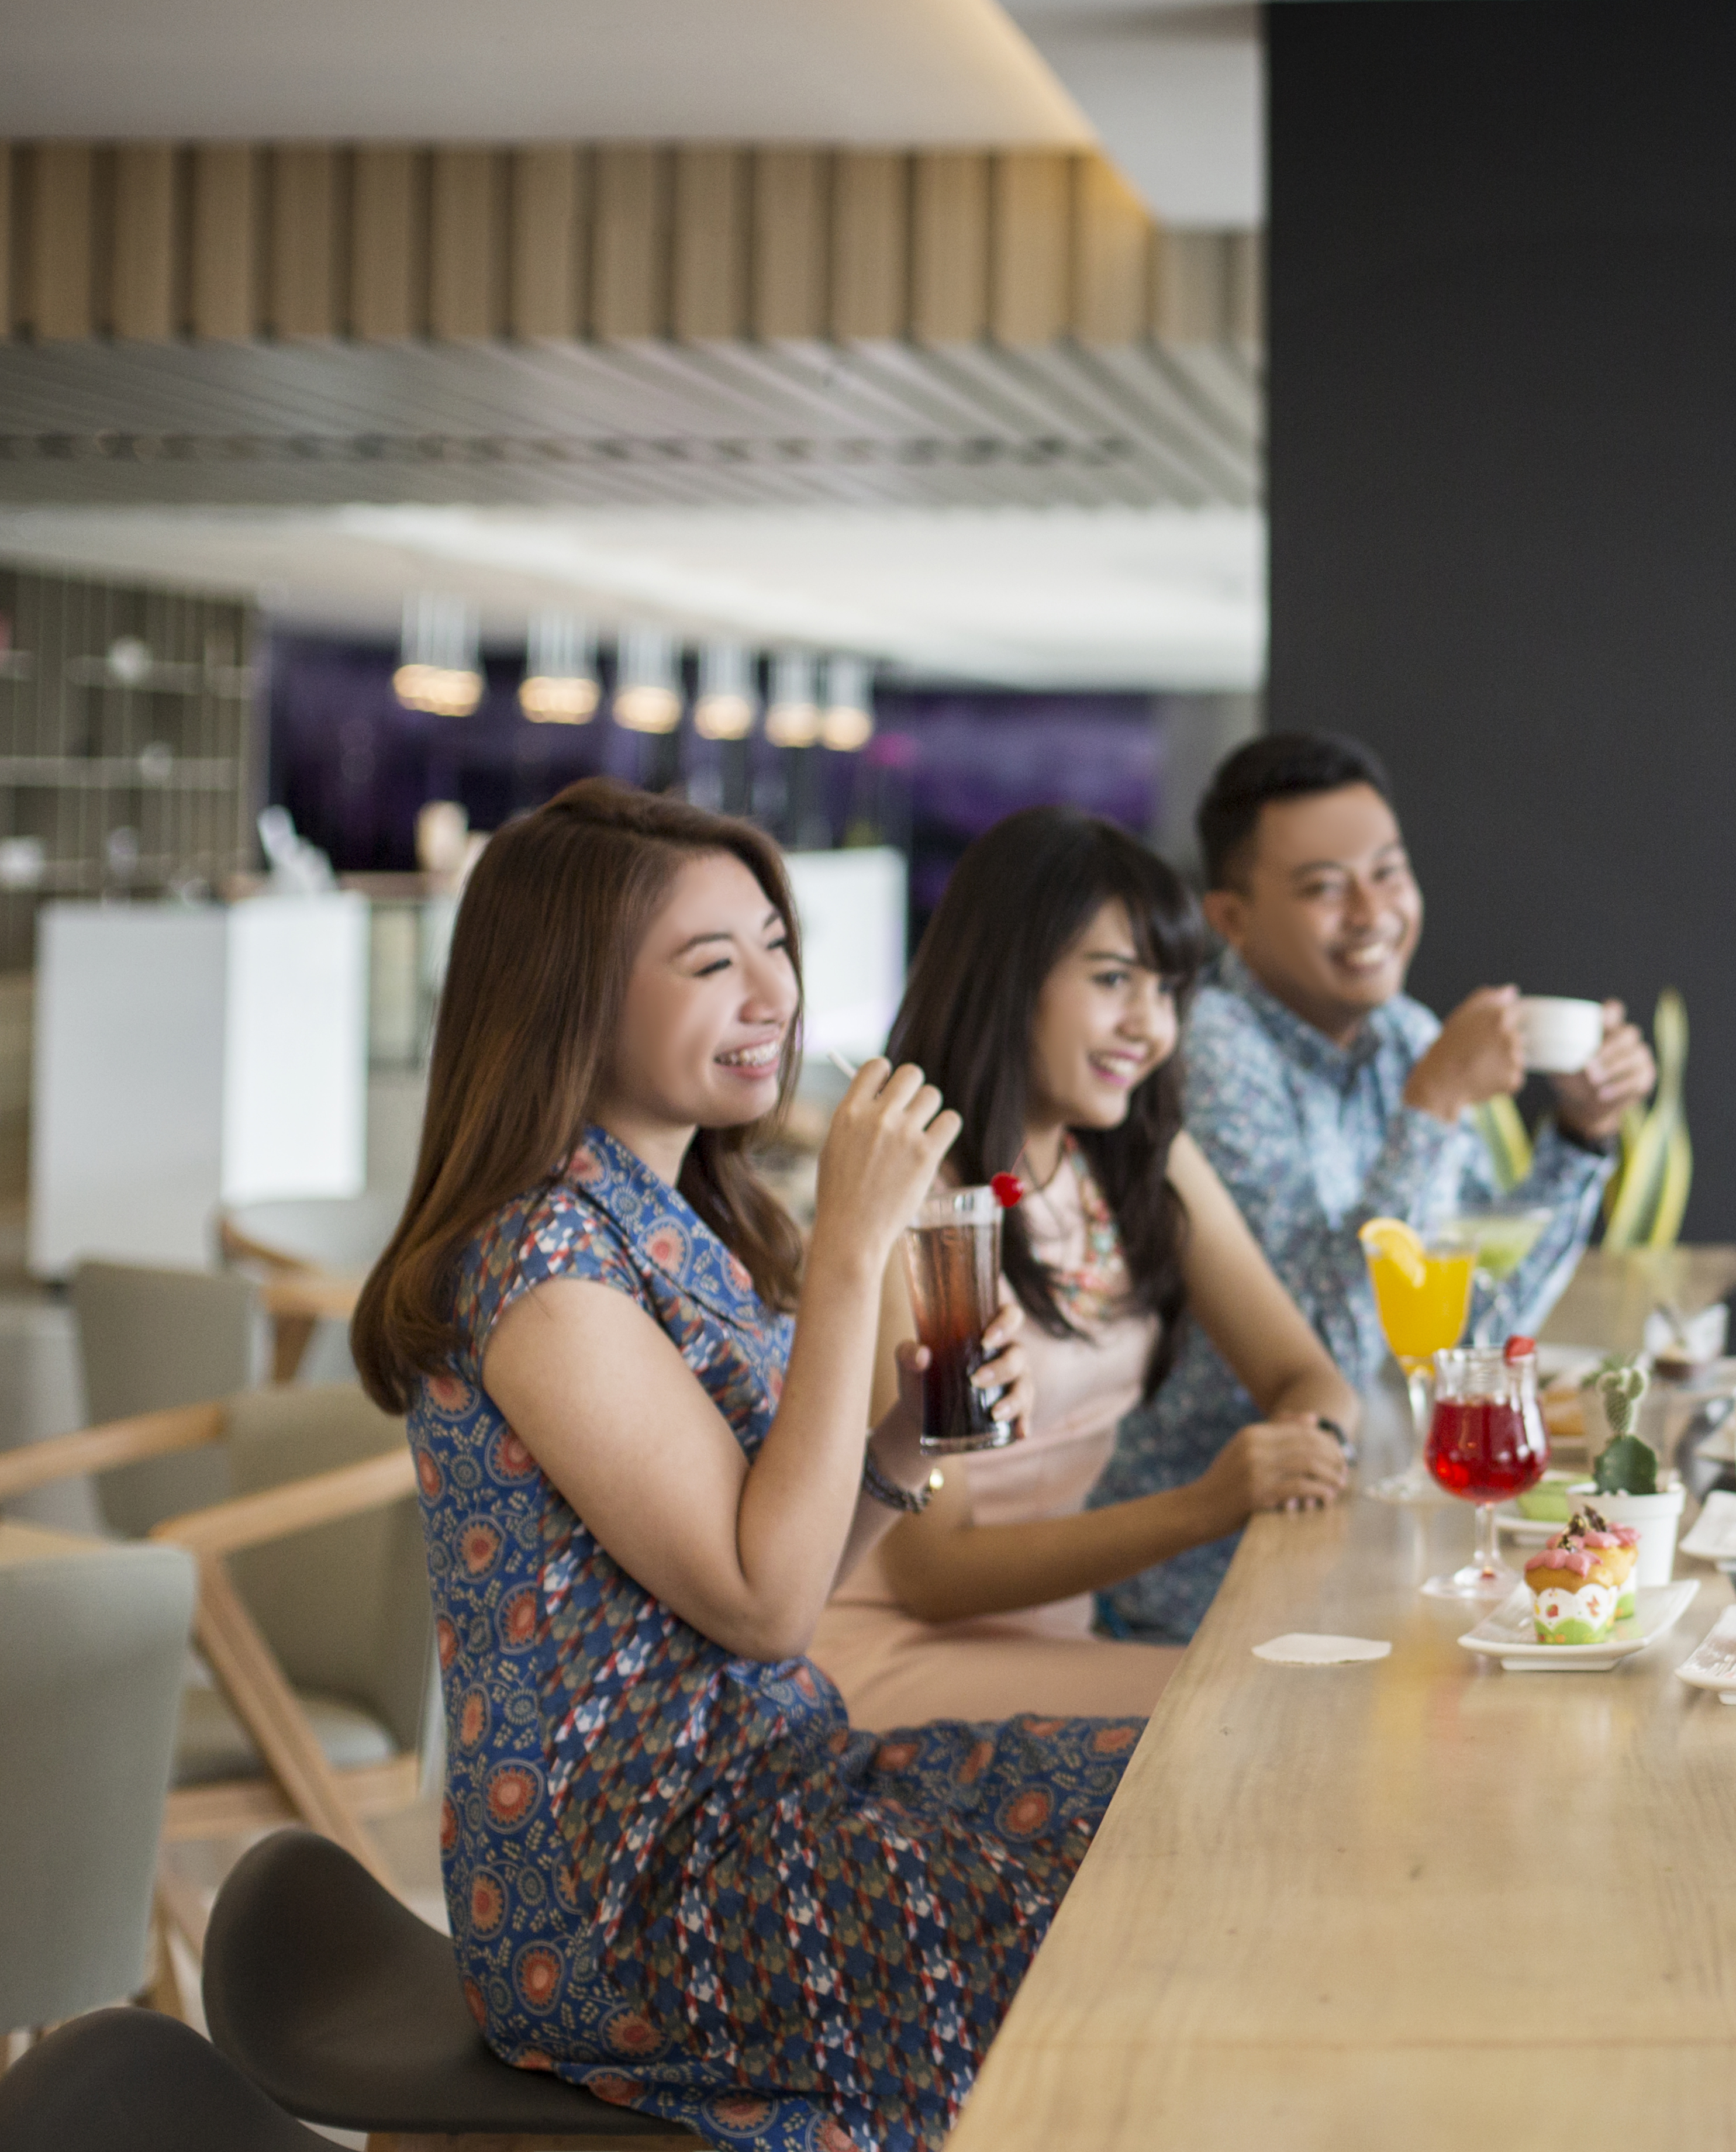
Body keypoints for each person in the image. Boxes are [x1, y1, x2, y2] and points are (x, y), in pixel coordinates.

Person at [351, 779, 1137, 2152]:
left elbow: (773, 1569)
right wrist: (854, 1248)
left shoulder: (671, 1220)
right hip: (629, 1881)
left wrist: (897, 1440)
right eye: (714, 963)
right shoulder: (545, 1266)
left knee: (1155, 1803)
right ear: (572, 1001)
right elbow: (765, 1604)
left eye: (777, 944)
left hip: (774, 1781)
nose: (772, 991)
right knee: (1085, 1927)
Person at [1089, 731, 1656, 1639]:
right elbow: (1331, 1352)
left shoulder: (1403, 1031)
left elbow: (1474, 1317)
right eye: (1324, 886)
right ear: (1231, 918)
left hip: (1353, 1526)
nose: (1373, 911)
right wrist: (1432, 1104)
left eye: (1388, 872)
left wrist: (1583, 1136)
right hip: (1208, 1575)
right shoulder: (1207, 1047)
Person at [810, 808, 1358, 1723]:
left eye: (1170, 991)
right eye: (1114, 980)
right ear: (1010, 979)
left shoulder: (1135, 1159)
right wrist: (1210, 1503)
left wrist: (1311, 1450)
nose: (1150, 1027)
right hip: (904, 1652)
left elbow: (1305, 1373)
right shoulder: (921, 1195)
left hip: (1055, 1640)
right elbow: (935, 1571)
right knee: (1272, 1716)